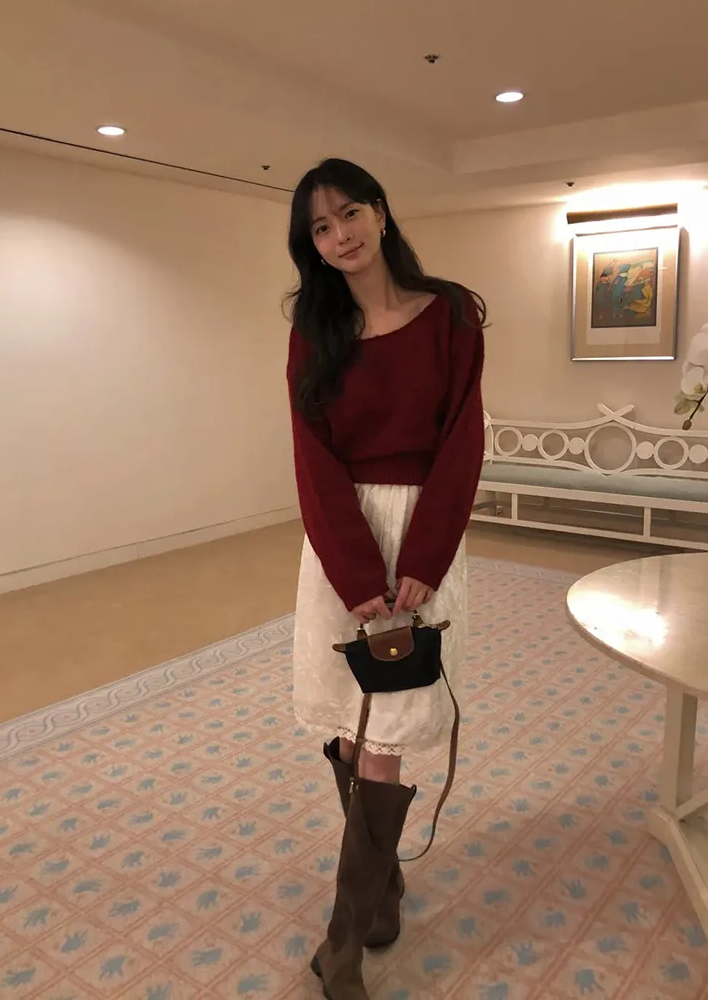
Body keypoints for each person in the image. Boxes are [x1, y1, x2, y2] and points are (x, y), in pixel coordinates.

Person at [285, 158, 485, 1000]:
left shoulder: (452, 314)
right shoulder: (314, 328)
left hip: (423, 538)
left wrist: (422, 561)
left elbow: (463, 442)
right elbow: (312, 456)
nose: (340, 236)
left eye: (350, 213)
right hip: (341, 545)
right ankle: (382, 893)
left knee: (389, 731)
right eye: (320, 228)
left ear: (380, 211)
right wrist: (356, 570)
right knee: (348, 718)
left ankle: (342, 944)